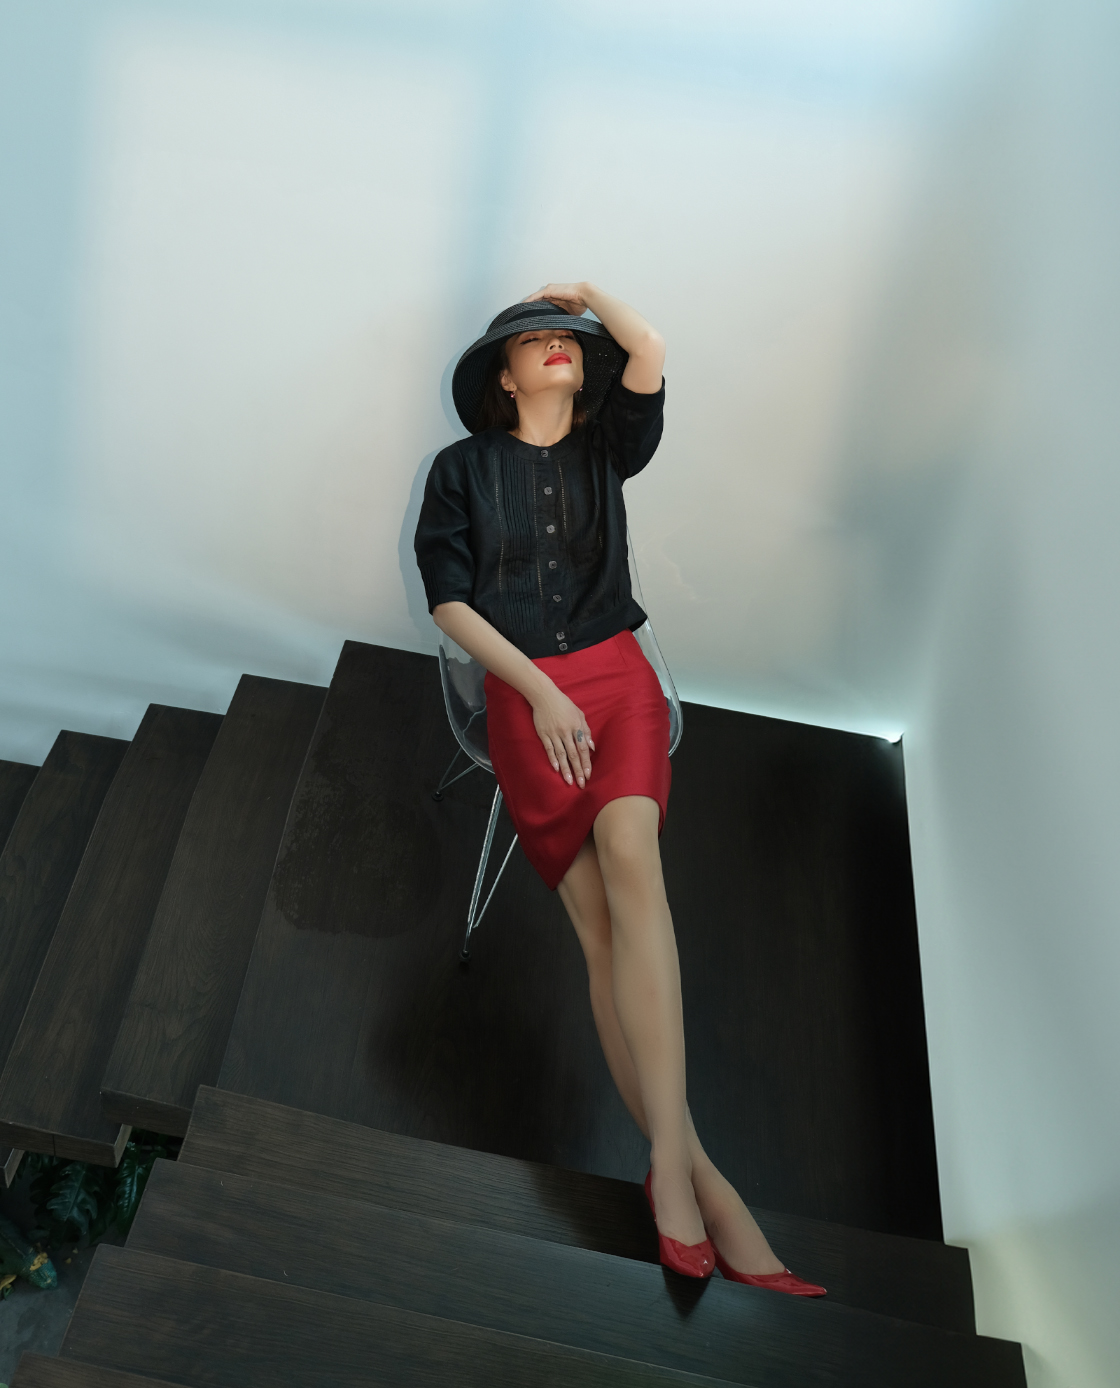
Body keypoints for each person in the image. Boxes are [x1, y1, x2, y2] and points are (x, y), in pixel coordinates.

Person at [413, 283, 824, 1294]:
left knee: (634, 858)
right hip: (528, 699)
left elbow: (650, 349)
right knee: (600, 936)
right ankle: (703, 1178)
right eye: (534, 339)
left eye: (567, 337)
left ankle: (672, 1173)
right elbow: (449, 603)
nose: (557, 344)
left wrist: (587, 293)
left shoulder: (609, 447)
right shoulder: (460, 469)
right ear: (506, 378)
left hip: (620, 685)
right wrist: (540, 690)